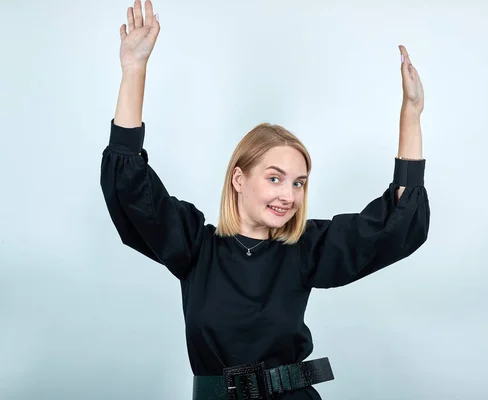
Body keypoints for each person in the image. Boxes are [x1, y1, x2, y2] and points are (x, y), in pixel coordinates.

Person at [100, 1, 430, 398]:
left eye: (298, 183)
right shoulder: (195, 247)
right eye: (275, 178)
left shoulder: (305, 250)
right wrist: (134, 70)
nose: (288, 195)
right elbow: (130, 186)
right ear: (239, 178)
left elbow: (395, 223)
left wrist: (411, 114)